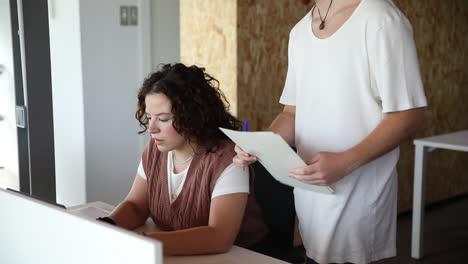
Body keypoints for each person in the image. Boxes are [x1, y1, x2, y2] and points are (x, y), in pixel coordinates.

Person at [233, 0, 427, 263]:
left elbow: (410, 115)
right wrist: (261, 143)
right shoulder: (300, 32)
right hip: (311, 197)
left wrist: (345, 162)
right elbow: (292, 113)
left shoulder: (381, 19)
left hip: (360, 199)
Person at [101, 63, 268, 255]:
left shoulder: (228, 160)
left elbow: (219, 237)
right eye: (149, 117)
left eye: (163, 119)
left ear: (192, 116)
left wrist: (145, 244)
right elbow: (136, 206)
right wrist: (109, 225)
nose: (151, 128)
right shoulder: (155, 150)